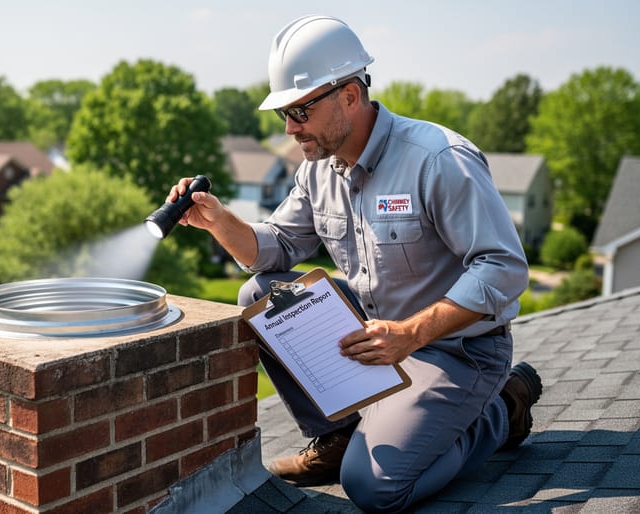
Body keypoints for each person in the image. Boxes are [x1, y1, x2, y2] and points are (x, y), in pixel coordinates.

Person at [166, 14, 541, 512]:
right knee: (262, 296)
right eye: (284, 113)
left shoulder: (437, 159)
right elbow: (275, 246)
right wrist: (219, 222)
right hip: (376, 337)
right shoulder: (318, 169)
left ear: (349, 95)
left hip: (456, 351)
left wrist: (409, 335)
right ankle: (337, 436)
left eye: (301, 109)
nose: (290, 127)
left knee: (374, 488)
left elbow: (503, 268)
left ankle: (501, 407)